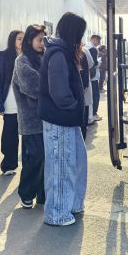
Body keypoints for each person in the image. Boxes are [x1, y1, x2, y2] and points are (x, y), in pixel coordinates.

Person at [39, 12, 87, 226]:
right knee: (61, 167)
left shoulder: (61, 51)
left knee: (74, 163)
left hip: (65, 119)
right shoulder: (59, 54)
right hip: (60, 118)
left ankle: (71, 205)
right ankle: (57, 213)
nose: (81, 38)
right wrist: (73, 106)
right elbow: (59, 93)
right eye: (80, 33)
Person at [12, 24, 47, 209]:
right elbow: (33, 87)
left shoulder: (43, 57)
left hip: (46, 117)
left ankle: (42, 194)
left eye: (44, 40)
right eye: (39, 40)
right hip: (30, 120)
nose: (42, 43)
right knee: (35, 156)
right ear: (29, 40)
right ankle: (26, 193)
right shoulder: (22, 61)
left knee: (43, 157)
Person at [0, 30, 24, 176]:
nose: (22, 41)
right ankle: (9, 165)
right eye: (19, 38)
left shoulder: (31, 55)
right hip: (10, 103)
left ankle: (29, 165)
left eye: (24, 38)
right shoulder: (4, 57)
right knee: (10, 136)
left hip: (27, 104)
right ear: (12, 40)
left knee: (29, 137)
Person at [80, 45, 93, 140]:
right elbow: (91, 63)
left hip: (83, 87)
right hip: (84, 87)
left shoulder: (82, 51)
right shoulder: (84, 50)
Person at [87, 35, 102, 121]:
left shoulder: (87, 47)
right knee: (95, 95)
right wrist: (99, 62)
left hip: (89, 76)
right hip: (93, 77)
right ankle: (94, 114)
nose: (98, 43)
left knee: (92, 95)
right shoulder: (92, 49)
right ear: (94, 40)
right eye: (98, 41)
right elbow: (94, 63)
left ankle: (91, 114)